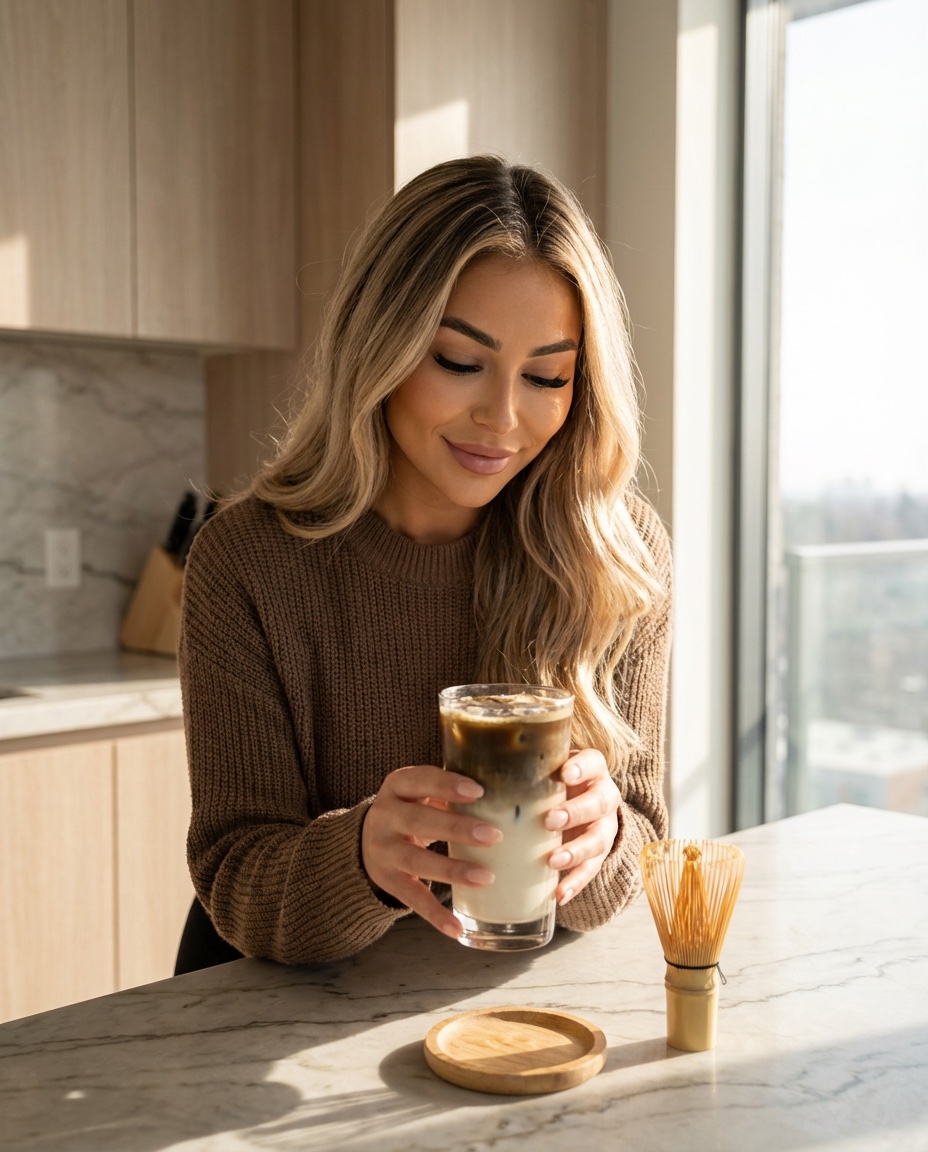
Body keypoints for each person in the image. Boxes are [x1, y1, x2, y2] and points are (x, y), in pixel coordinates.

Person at [175, 154, 671, 973]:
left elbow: (643, 837)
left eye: (546, 376)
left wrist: (602, 839)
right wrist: (361, 857)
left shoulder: (615, 555)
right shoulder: (249, 561)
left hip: (504, 1008)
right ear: (380, 346)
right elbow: (235, 877)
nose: (503, 418)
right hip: (293, 1012)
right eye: (459, 362)